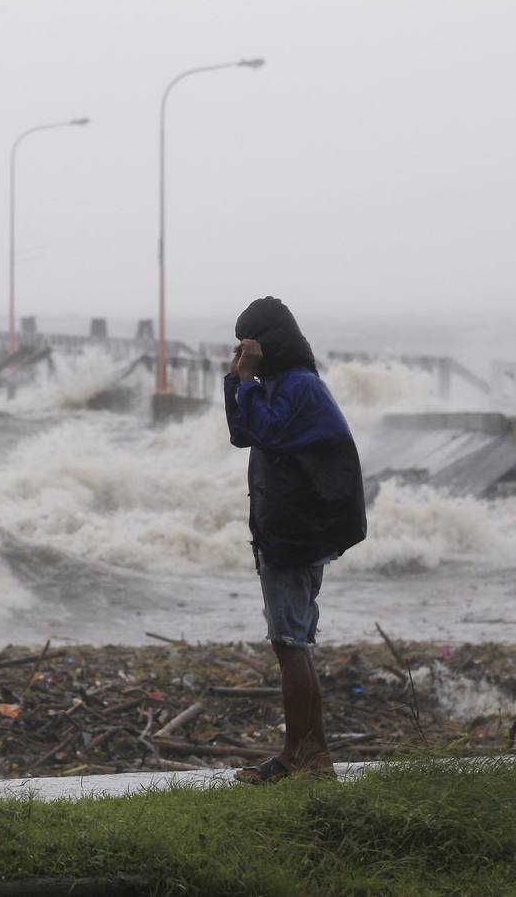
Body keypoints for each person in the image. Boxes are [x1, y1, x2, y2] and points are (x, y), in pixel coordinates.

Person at [223, 296, 367, 784]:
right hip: (289, 529)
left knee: (289, 644)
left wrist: (246, 381)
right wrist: (236, 379)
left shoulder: (300, 386)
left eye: (250, 342)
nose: (246, 352)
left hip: (296, 532)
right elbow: (243, 433)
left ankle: (297, 755)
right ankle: (313, 757)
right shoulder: (283, 384)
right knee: (296, 644)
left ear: (270, 341)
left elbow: (267, 430)